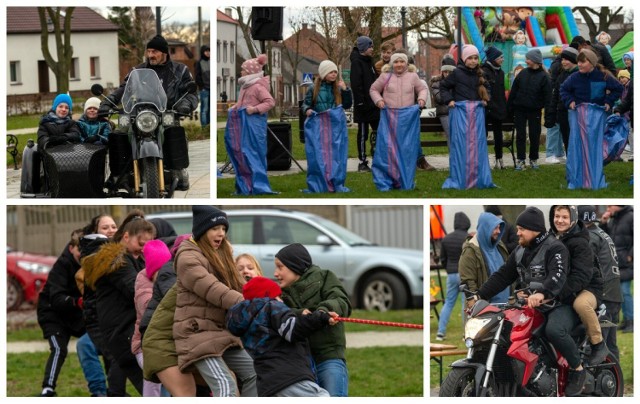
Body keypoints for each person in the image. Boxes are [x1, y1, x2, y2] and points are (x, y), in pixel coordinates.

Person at [476, 207, 586, 396]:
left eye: (521, 229)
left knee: (555, 330)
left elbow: (557, 276)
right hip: (531, 307)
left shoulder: (555, 248)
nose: (517, 232)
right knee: (507, 332)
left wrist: (542, 293)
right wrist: (480, 296)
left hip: (559, 304)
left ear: (534, 230)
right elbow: (503, 276)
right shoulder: (520, 250)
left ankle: (578, 370)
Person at [173, 206, 257, 397]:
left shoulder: (220, 254)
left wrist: (264, 299)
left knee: (255, 371)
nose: (221, 233)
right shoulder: (188, 258)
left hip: (220, 331)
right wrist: (247, 302)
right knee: (225, 385)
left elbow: (239, 285)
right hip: (197, 333)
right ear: (202, 230)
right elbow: (214, 290)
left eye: (224, 229)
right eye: (215, 228)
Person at [100, 35, 197, 191]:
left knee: (173, 129)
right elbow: (123, 89)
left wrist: (184, 105)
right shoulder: (137, 71)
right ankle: (118, 173)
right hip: (138, 113)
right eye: (149, 51)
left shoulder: (180, 70)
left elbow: (191, 93)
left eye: (155, 52)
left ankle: (178, 170)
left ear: (165, 53)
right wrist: (107, 102)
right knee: (120, 130)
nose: (151, 55)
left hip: (167, 112)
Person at [84, 209, 158, 395]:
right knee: (150, 385)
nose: (144, 248)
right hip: (122, 332)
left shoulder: (135, 258)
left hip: (128, 329)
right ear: (126, 237)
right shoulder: (118, 262)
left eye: (148, 245)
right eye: (141, 243)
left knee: (154, 385)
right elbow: (136, 290)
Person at [227, 277, 337, 397]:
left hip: (267, 386)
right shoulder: (272, 307)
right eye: (279, 296)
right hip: (289, 378)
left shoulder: (249, 321)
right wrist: (319, 318)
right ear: (270, 297)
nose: (282, 301)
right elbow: (293, 329)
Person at [275, 243, 352, 396]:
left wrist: (323, 311)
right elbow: (280, 316)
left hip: (328, 357)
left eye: (280, 267)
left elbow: (341, 301)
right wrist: (299, 313)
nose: (276, 273)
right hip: (299, 367)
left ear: (294, 265)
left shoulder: (325, 277)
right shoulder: (280, 296)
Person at [141, 233, 198, 397]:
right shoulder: (169, 272)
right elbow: (183, 302)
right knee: (184, 393)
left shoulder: (190, 270)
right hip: (160, 341)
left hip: (179, 338)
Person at [550, 205, 607, 365]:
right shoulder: (552, 239)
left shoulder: (581, 243)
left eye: (564, 217)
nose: (560, 220)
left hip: (588, 287)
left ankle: (598, 343)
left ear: (573, 220)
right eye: (557, 216)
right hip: (566, 288)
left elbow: (581, 277)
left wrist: (556, 292)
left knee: (581, 304)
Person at [77, 214, 126, 397]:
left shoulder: (121, 253)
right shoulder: (92, 258)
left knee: (115, 356)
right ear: (95, 232)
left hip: (117, 321)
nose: (111, 230)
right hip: (99, 321)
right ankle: (101, 392)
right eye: (105, 228)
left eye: (113, 226)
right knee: (89, 347)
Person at [369, 52, 428, 190]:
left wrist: (421, 99)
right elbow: (373, 89)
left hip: (408, 119)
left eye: (402, 62)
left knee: (406, 149)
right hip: (390, 118)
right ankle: (388, 178)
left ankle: (404, 179)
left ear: (407, 64)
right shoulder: (385, 76)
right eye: (396, 62)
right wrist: (379, 100)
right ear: (391, 64)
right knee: (389, 149)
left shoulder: (413, 76)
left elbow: (423, 89)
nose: (399, 64)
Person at [37, 229, 85, 397]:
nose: (83, 255)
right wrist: (77, 301)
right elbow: (57, 298)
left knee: (103, 344)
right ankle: (48, 389)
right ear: (71, 248)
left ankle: (112, 390)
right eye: (80, 250)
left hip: (77, 315)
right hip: (53, 314)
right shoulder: (62, 266)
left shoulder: (90, 264)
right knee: (59, 349)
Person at [440, 44, 494, 189]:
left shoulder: (480, 74)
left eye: (475, 58)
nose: (473, 61)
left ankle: (478, 176)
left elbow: (488, 88)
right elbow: (443, 86)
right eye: (470, 58)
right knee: (461, 144)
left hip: (476, 115)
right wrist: (449, 100)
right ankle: (461, 176)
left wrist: (485, 99)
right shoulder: (457, 73)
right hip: (460, 114)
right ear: (464, 59)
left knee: (477, 144)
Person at [225, 54, 277, 195]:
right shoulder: (245, 86)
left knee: (254, 154)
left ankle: (258, 185)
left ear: (250, 72)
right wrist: (236, 107)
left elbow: (270, 102)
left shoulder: (258, 87)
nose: (241, 72)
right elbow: (242, 103)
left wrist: (255, 109)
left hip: (255, 127)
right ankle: (245, 185)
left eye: (243, 70)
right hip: (243, 126)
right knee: (242, 153)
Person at [301, 59, 353, 193]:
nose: (334, 74)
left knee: (335, 154)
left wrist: (345, 90)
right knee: (320, 154)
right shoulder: (313, 88)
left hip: (335, 128)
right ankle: (321, 181)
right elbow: (306, 104)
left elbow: (347, 105)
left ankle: (335, 181)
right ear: (324, 73)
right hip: (319, 127)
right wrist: (307, 110)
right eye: (331, 72)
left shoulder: (338, 88)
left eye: (335, 71)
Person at [578, 205, 621, 360]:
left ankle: (596, 380)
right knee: (610, 343)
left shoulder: (590, 237)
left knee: (598, 344)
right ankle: (616, 379)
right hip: (614, 293)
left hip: (605, 294)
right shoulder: (600, 233)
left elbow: (583, 266)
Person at [132, 239, 171, 396]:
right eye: (159, 272)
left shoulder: (171, 276)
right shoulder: (143, 281)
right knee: (154, 377)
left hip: (167, 343)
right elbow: (148, 307)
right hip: (144, 345)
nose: (164, 275)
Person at [507, 49, 552, 170]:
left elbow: (548, 98)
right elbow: (514, 91)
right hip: (519, 109)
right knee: (520, 135)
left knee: (534, 135)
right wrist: (510, 108)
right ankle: (521, 160)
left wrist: (548, 114)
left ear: (535, 61)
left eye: (528, 59)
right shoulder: (523, 73)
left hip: (535, 110)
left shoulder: (544, 77)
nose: (526, 61)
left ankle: (533, 159)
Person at [459, 212, 510, 305]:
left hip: (507, 307)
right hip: (486, 309)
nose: (498, 231)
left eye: (499, 227)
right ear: (485, 228)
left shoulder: (500, 246)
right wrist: (476, 304)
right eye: (495, 228)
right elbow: (468, 281)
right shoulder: (470, 251)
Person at [435, 211, 470, 341]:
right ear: (467, 223)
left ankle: (440, 332)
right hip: (464, 274)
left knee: (448, 303)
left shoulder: (446, 239)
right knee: (465, 304)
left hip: (451, 274)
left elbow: (443, 258)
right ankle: (465, 333)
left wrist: (448, 269)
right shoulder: (468, 238)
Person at [600, 205, 634, 333]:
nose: (608, 209)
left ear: (617, 206)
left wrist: (631, 255)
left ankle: (632, 320)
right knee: (619, 293)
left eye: (610, 206)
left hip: (626, 262)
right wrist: (603, 223)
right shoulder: (614, 219)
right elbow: (606, 238)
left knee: (625, 291)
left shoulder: (631, 216)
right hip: (615, 262)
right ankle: (626, 321)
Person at [350, 36, 379, 172]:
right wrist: (361, 103)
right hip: (363, 106)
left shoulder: (369, 62)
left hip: (374, 105)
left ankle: (378, 159)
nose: (372, 49)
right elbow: (356, 85)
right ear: (363, 48)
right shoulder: (357, 62)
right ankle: (362, 162)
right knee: (363, 134)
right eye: (370, 47)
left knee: (378, 132)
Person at [547, 46, 579, 155]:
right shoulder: (562, 75)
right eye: (562, 59)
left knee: (576, 143)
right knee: (567, 142)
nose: (563, 62)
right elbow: (555, 95)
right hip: (563, 114)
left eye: (566, 60)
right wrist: (552, 114)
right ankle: (572, 168)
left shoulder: (579, 75)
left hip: (576, 114)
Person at [482, 46, 508, 169]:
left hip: (498, 108)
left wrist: (503, 106)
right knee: (483, 134)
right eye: (500, 57)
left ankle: (499, 158)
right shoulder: (483, 71)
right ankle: (482, 159)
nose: (503, 59)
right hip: (486, 109)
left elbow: (502, 92)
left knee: (498, 134)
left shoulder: (501, 72)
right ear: (493, 59)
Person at [429, 55, 456, 148]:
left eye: (450, 72)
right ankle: (453, 159)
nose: (447, 74)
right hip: (444, 112)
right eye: (445, 72)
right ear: (442, 71)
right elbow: (440, 99)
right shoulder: (436, 83)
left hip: (457, 111)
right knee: (451, 135)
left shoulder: (458, 81)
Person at [195, 45, 210, 128]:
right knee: (204, 109)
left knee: (210, 109)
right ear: (203, 52)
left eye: (209, 51)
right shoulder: (199, 62)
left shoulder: (212, 61)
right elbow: (197, 76)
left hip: (211, 89)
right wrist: (202, 86)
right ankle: (204, 127)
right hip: (204, 89)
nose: (208, 53)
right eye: (206, 51)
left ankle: (209, 126)